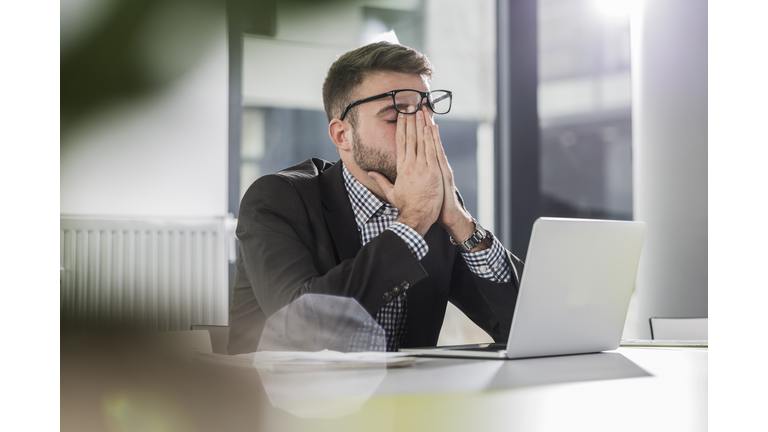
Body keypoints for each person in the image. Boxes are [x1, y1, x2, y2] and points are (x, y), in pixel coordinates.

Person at [227, 42, 524, 354]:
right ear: (342, 135)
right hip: (278, 399)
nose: (420, 131)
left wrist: (463, 226)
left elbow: (522, 325)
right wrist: (411, 225)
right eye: (396, 117)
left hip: (404, 399)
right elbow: (304, 328)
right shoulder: (276, 199)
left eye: (426, 114)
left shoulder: (434, 205)